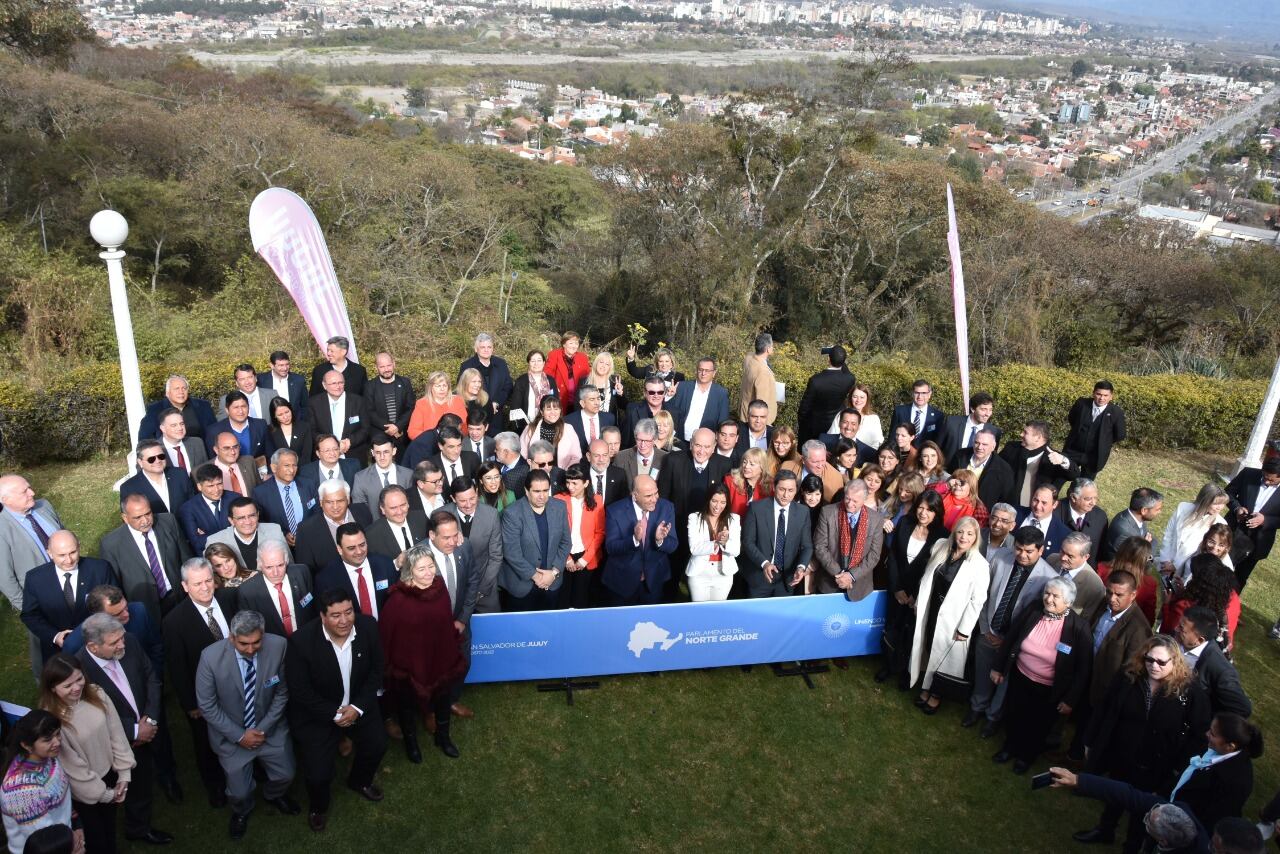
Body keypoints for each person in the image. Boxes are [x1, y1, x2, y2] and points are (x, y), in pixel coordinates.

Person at [1075, 636, 1210, 851]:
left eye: (1161, 662)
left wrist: (1181, 766)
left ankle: (1133, 844)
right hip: (1123, 753)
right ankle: (1105, 829)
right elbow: (1105, 708)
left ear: (1175, 662)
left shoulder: (1189, 691)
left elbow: (1201, 732)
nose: (1154, 666)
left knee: (1145, 807)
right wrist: (1091, 740)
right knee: (1115, 794)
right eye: (1149, 660)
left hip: (1158, 764)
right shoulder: (1129, 676)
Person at [285, 589, 387, 833]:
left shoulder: (368, 627)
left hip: (358, 706)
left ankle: (359, 781)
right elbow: (300, 691)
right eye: (335, 615)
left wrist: (358, 707)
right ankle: (318, 807)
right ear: (322, 616)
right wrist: (334, 713)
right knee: (319, 774)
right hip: (318, 714)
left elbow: (377, 670)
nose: (344, 621)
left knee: (377, 745)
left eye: (349, 612)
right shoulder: (300, 642)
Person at [195, 610, 298, 840]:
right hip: (231, 736)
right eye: (243, 644)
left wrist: (262, 729)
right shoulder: (210, 658)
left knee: (287, 774)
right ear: (231, 638)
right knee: (239, 793)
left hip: (268, 729)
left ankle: (273, 795)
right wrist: (241, 736)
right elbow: (207, 706)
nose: (251, 649)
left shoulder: (279, 646)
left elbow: (282, 693)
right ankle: (242, 811)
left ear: (263, 634)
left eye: (256, 642)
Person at [75, 613, 171, 846]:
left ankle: (142, 819)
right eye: (114, 642)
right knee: (134, 785)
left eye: (122, 638)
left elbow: (151, 678)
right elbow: (90, 716)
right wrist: (135, 731)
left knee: (145, 780)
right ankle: (137, 828)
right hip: (120, 743)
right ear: (93, 647)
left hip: (150, 727)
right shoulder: (79, 672)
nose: (122, 644)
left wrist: (152, 720)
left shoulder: (130, 641)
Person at [990, 576, 1093, 774]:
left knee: (1038, 725)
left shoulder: (1079, 628)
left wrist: (1070, 700)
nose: (1049, 599)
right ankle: (1009, 748)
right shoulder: (1034, 610)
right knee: (1014, 715)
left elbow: (1083, 669)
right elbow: (1012, 637)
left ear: (1069, 602)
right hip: (1020, 677)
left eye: (1056, 596)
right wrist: (999, 667)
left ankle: (1025, 757)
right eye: (1047, 593)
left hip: (1050, 689)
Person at [38, 655, 134, 854]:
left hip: (110, 778)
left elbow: (115, 733)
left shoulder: (97, 694)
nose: (77, 688)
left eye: (79, 679)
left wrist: (123, 773)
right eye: (67, 685)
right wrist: (106, 794)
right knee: (96, 842)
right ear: (52, 688)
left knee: (109, 832)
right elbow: (73, 768)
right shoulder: (51, 719)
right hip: (84, 794)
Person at [379, 547, 468, 762]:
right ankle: (412, 745)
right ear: (410, 571)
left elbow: (445, 621)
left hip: (440, 659)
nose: (429, 572)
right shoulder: (397, 600)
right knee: (407, 707)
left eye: (431, 566)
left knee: (443, 699)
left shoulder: (440, 588)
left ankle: (443, 738)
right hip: (410, 665)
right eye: (422, 569)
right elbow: (386, 634)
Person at [161, 558, 237, 809]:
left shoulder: (230, 599)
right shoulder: (174, 622)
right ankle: (215, 785)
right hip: (205, 695)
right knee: (205, 742)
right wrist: (191, 704)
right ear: (185, 586)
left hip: (239, 683)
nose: (204, 588)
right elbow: (178, 667)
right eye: (197, 584)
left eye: (207, 581)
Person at [965, 527, 1055, 736]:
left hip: (1016, 642)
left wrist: (1010, 642)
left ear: (1040, 551)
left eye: (1028, 551)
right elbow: (983, 594)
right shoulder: (1000, 558)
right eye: (1019, 549)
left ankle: (992, 717)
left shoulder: (1048, 577)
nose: (1022, 555)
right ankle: (976, 707)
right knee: (982, 673)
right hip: (989, 631)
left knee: (1005, 682)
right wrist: (986, 628)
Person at [908, 517, 989, 714]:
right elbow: (927, 576)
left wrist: (964, 628)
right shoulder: (941, 546)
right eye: (961, 532)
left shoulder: (980, 564)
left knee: (945, 657)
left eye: (970, 534)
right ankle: (926, 686)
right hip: (934, 607)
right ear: (955, 532)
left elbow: (977, 600)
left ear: (976, 538)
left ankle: (937, 694)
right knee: (929, 646)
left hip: (954, 618)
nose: (964, 537)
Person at [1076, 569, 1153, 763]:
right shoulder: (1104, 605)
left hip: (1106, 689)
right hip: (1087, 676)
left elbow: (1132, 669)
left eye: (1119, 595)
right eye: (1109, 592)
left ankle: (1086, 763)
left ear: (1133, 595)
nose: (1112, 598)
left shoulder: (1138, 628)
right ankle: (1073, 753)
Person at [878, 491, 948, 687]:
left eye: (929, 509)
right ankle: (888, 665)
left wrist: (915, 596)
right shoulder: (905, 523)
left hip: (919, 596)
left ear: (937, 512)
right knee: (892, 628)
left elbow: (934, 571)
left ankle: (905, 672)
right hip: (897, 590)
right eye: (921, 508)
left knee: (911, 634)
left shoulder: (942, 536)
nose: (923, 513)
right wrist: (897, 588)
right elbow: (893, 557)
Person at [21, 530, 116, 668]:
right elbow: (30, 615)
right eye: (62, 555)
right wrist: (54, 636)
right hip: (59, 653)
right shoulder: (35, 579)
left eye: (73, 552)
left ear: (79, 546)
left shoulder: (100, 569)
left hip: (99, 643)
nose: (69, 560)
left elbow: (113, 603)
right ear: (49, 553)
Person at [98, 494, 191, 625]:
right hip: (145, 610)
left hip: (180, 598)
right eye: (137, 517)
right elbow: (113, 585)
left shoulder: (169, 522)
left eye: (148, 513)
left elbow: (186, 557)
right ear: (125, 518)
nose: (145, 520)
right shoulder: (111, 544)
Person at [1167, 713, 1262, 835]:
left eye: (1212, 734)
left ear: (1230, 746)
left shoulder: (1235, 783)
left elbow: (1209, 821)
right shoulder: (1216, 748)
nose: (1206, 734)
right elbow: (1188, 774)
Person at [1, 710, 76, 854]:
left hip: (64, 836)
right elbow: (46, 843)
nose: (57, 742)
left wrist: (76, 825)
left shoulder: (45, 757)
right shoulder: (22, 793)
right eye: (48, 740)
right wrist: (74, 844)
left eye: (57, 734)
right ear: (27, 745)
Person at [498, 470, 571, 611]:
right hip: (522, 585)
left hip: (552, 582)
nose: (542, 496)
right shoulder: (512, 513)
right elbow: (511, 552)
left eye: (545, 490)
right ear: (526, 491)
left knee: (550, 629)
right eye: (537, 491)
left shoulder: (559, 507)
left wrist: (554, 572)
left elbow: (565, 542)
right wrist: (536, 576)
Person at [602, 475, 677, 606]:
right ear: (635, 495)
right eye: (648, 496)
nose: (654, 499)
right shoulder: (615, 510)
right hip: (623, 582)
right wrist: (634, 539)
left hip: (653, 581)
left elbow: (673, 545)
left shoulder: (666, 507)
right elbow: (611, 547)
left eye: (656, 493)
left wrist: (660, 540)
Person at [740, 470, 813, 598]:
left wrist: (801, 567)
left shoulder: (803, 512)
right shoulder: (756, 508)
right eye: (782, 489)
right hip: (760, 577)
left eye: (790, 490)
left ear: (796, 490)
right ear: (774, 487)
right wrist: (765, 563)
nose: (786, 495)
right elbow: (747, 542)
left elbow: (807, 546)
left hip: (787, 580)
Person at [0, 474, 63, 616]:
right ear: (6, 500)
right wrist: (28, 609)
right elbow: (4, 577)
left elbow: (65, 537)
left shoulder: (44, 505)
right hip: (41, 601)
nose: (32, 493)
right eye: (24, 491)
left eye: (29, 487)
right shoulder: (2, 528)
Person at [1173, 607, 1252, 718]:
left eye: (1181, 628)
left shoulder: (1220, 669)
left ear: (1199, 640)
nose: (1176, 629)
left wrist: (1204, 720)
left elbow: (1242, 709)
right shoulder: (1179, 638)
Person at [812, 480, 884, 600]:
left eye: (855, 501)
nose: (850, 504)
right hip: (829, 584)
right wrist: (839, 574)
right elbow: (820, 547)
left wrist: (851, 576)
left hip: (859, 587)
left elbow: (874, 555)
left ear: (864, 499)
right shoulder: (827, 512)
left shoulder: (876, 519)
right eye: (847, 498)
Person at [444, 478, 504, 614]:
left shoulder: (491, 514)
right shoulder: (440, 515)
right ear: (453, 498)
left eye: (472, 498)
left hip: (485, 590)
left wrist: (480, 590)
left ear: (477, 492)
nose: (468, 504)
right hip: (453, 592)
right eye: (462, 501)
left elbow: (496, 556)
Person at [314, 524, 397, 621]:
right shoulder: (325, 579)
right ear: (339, 549)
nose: (359, 552)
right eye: (351, 548)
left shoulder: (385, 564)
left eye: (362, 545)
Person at [235, 540, 316, 638]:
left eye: (280, 565)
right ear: (259, 564)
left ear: (286, 561)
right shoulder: (247, 592)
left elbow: (312, 607)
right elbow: (250, 630)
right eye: (269, 567)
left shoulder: (302, 573)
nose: (276, 573)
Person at [291, 480, 373, 576]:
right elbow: (306, 570)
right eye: (329, 502)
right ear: (321, 503)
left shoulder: (363, 511)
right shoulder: (306, 530)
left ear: (348, 500)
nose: (335, 507)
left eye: (340, 501)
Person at [1223, 456, 1280, 590]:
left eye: (1271, 480)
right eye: (1264, 476)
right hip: (1233, 529)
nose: (1266, 480)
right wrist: (1237, 508)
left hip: (1258, 539)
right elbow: (1228, 493)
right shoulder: (1249, 474)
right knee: (1220, 567)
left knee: (1240, 577)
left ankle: (1229, 607)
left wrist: (1265, 520)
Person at [1163, 557, 1241, 652]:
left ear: (1200, 582)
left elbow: (1167, 631)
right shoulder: (1232, 598)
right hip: (1213, 652)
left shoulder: (1185, 607)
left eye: (1194, 576)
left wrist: (1167, 604)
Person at [555, 464, 605, 609]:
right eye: (568, 482)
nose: (570, 487)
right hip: (564, 555)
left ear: (586, 483)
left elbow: (600, 533)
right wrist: (567, 559)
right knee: (563, 600)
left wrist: (584, 560)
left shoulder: (597, 501)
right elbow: (555, 533)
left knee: (581, 600)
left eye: (575, 483)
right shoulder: (558, 499)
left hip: (587, 557)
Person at [1160, 484, 1230, 586]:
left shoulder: (1219, 523)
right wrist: (1165, 559)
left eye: (1223, 503)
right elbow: (1169, 534)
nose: (1220, 507)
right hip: (1166, 562)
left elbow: (1201, 551)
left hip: (1188, 572)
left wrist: (1176, 566)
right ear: (1205, 500)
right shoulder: (1183, 508)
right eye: (1216, 503)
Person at [998, 421, 1078, 510]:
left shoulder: (1054, 457)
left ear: (1038, 438)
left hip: (1039, 510)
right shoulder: (1011, 448)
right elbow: (997, 467)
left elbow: (1074, 475)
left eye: (1025, 432)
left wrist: (1063, 461)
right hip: (1009, 506)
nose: (1021, 434)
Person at [685, 484, 740, 603]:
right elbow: (694, 548)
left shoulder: (734, 519)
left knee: (718, 612)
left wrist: (725, 543)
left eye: (722, 502)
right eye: (714, 501)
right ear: (708, 499)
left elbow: (736, 551)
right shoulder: (694, 518)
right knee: (699, 611)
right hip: (699, 574)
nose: (718, 506)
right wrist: (716, 543)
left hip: (723, 575)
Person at [252, 449, 318, 545]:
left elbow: (317, 511)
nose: (291, 470)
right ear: (274, 467)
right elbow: (261, 522)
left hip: (310, 541)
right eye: (286, 465)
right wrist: (282, 533)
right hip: (279, 545)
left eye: (294, 465)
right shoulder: (260, 493)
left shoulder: (308, 484)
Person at [1064, 380, 1127, 478]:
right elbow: (1072, 419)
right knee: (1059, 478)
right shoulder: (1081, 404)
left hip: (1094, 456)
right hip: (1073, 450)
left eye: (1106, 395)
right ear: (1093, 393)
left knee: (1084, 486)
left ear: (1111, 396)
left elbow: (1120, 434)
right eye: (1099, 394)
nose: (1102, 398)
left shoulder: (1116, 412)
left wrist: (1105, 440)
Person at [308, 371, 371, 465]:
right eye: (333, 383)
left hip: (353, 455)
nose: (338, 386)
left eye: (341, 382)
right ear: (324, 385)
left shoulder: (358, 401)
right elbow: (311, 430)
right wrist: (331, 445)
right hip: (325, 458)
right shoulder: (313, 403)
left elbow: (365, 428)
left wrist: (350, 442)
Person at [797, 345, 855, 445]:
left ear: (828, 359)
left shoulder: (816, 380)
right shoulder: (850, 379)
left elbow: (804, 408)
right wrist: (839, 356)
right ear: (844, 361)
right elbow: (845, 370)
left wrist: (803, 425)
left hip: (814, 427)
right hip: (835, 425)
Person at [119, 440, 194, 517]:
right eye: (151, 459)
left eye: (161, 456)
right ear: (140, 462)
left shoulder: (180, 474)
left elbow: (193, 504)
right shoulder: (129, 488)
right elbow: (131, 519)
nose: (158, 461)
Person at [1098, 536, 1161, 626]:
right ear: (1143, 560)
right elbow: (1148, 621)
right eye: (1149, 558)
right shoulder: (1148, 584)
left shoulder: (1102, 569)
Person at [458, 333, 513, 436]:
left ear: (492, 349)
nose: (486, 350)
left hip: (497, 416)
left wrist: (497, 402)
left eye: (489, 347)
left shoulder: (501, 363)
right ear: (476, 349)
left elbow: (508, 386)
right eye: (482, 347)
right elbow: (462, 389)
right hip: (474, 417)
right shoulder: (467, 366)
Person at [666, 357, 730, 444]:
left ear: (714, 373)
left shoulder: (721, 393)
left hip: (704, 444)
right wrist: (669, 396)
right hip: (678, 439)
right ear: (697, 371)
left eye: (707, 371)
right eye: (701, 370)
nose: (703, 373)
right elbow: (668, 412)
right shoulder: (682, 387)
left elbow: (723, 421)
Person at [949, 429, 1015, 511]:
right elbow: (949, 478)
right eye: (977, 443)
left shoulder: (1004, 470)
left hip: (981, 515)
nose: (980, 447)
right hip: (952, 507)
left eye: (985, 444)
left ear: (993, 447)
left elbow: (1006, 500)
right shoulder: (960, 456)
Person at [137, 375, 215, 443]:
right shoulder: (155, 410)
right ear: (167, 393)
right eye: (176, 389)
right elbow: (145, 438)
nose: (181, 392)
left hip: (199, 453)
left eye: (184, 388)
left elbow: (213, 433)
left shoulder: (203, 406)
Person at [364, 352, 413, 456]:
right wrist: (390, 428)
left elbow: (411, 407)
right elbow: (369, 411)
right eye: (382, 366)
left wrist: (398, 426)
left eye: (389, 365)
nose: (386, 369)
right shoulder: (370, 386)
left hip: (402, 435)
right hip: (380, 435)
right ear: (376, 367)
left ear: (394, 364)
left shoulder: (405, 382)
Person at [351, 436, 413, 519]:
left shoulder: (408, 475)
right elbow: (360, 512)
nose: (382, 457)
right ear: (372, 453)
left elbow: (412, 505)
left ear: (394, 451)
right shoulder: (361, 478)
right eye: (378, 452)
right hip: (375, 528)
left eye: (386, 452)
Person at [1051, 531, 1106, 620]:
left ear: (1086, 557)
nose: (1063, 558)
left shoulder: (1095, 586)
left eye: (1070, 556)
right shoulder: (1052, 559)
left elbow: (1085, 620)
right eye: (1062, 551)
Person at [205, 391, 273, 463]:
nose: (240, 411)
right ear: (227, 410)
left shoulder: (260, 425)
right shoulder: (214, 431)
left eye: (243, 406)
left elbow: (270, 454)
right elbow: (213, 461)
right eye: (236, 407)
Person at [936, 392, 1002, 465]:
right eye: (983, 409)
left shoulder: (994, 432)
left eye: (990, 410)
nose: (988, 414)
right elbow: (936, 448)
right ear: (973, 409)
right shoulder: (951, 423)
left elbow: (991, 458)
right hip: (947, 473)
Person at [364, 485, 428, 560]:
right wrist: (396, 564)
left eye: (403, 505)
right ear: (383, 509)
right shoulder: (371, 535)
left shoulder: (421, 518)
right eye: (393, 508)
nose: (399, 511)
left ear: (408, 504)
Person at [519, 395, 581, 471]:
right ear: (542, 412)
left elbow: (576, 457)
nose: (553, 412)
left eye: (556, 408)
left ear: (560, 410)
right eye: (548, 409)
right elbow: (523, 453)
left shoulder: (568, 429)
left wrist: (566, 472)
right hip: (536, 474)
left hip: (562, 474)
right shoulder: (531, 428)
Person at [1101, 487, 1164, 562]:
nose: (1160, 512)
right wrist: (1146, 546)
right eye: (1157, 509)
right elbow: (1135, 562)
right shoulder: (1124, 532)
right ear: (1144, 510)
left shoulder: (1137, 518)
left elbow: (1153, 540)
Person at [1055, 477, 1109, 562]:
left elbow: (1100, 550)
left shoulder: (1100, 517)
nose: (1093, 503)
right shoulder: (1053, 513)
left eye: (1095, 498)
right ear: (1073, 497)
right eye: (1088, 499)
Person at [407, 371, 468, 441]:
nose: (442, 389)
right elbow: (412, 431)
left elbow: (465, 426)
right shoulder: (422, 403)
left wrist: (455, 439)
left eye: (444, 385)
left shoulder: (457, 400)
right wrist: (432, 440)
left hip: (455, 444)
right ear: (430, 387)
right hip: (430, 445)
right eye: (438, 386)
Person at [781, 440, 845, 503]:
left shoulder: (836, 477)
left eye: (823, 460)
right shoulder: (787, 467)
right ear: (803, 460)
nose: (820, 466)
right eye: (815, 462)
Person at [1017, 484, 1071, 556]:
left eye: (1044, 503)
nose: (1038, 506)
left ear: (1055, 504)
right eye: (1036, 500)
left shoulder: (1063, 534)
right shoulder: (1014, 513)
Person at [890, 379, 946, 449]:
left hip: (925, 457)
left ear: (929, 394)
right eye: (917, 393)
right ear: (912, 393)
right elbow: (892, 437)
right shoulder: (899, 411)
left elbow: (938, 442)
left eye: (923, 393)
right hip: (902, 456)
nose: (920, 396)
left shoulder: (938, 416)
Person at [154, 406, 208, 478]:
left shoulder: (197, 443)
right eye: (174, 425)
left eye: (182, 424)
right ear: (163, 428)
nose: (180, 428)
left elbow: (207, 471)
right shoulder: (153, 449)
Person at [564, 386, 617, 457]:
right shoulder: (569, 421)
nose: (597, 403)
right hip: (579, 463)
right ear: (582, 403)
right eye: (592, 399)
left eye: (598, 399)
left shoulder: (609, 418)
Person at [545, 331, 590, 414]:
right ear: (564, 344)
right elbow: (547, 375)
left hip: (578, 399)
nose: (574, 346)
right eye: (571, 343)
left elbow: (588, 378)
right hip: (560, 397)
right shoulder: (554, 355)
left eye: (576, 343)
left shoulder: (583, 357)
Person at [615, 419, 666, 492]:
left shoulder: (665, 458)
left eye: (647, 441)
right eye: (639, 440)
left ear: (654, 439)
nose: (642, 445)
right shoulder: (621, 457)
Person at [739, 332, 778, 424]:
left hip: (744, 412)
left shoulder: (749, 358)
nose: (773, 348)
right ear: (768, 349)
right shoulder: (762, 372)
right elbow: (761, 402)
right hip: (756, 421)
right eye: (772, 346)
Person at [209, 429, 261, 497]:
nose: (233, 452)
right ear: (216, 450)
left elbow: (259, 489)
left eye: (235, 447)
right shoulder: (203, 470)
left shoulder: (249, 461)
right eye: (226, 448)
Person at [258, 351, 308, 420]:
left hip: (294, 424)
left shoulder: (298, 380)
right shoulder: (261, 380)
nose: (285, 368)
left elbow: (305, 406)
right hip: (270, 426)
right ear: (272, 365)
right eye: (281, 365)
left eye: (287, 364)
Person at [724, 448, 772, 517]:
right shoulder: (730, 481)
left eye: (752, 464)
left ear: (762, 467)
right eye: (744, 462)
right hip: (734, 525)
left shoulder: (771, 485)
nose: (746, 466)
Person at [841, 384, 884, 463]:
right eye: (855, 397)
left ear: (867, 399)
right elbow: (833, 437)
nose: (858, 400)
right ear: (850, 398)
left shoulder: (874, 418)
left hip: (866, 459)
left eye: (862, 397)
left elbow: (878, 443)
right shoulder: (841, 415)